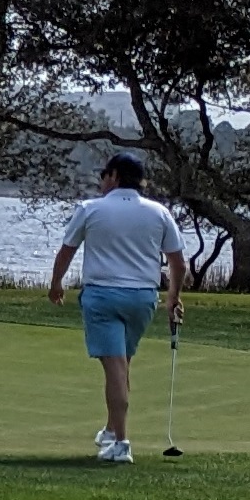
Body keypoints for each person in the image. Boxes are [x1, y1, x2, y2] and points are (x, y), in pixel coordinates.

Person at [46, 152, 188, 463]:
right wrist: (173, 296)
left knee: (115, 369)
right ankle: (111, 430)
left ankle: (122, 443)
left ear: (114, 177)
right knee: (122, 365)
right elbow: (178, 262)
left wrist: (56, 285)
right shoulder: (159, 212)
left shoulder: (90, 209)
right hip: (142, 299)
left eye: (103, 176)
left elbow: (67, 251)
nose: (101, 182)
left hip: (102, 297)